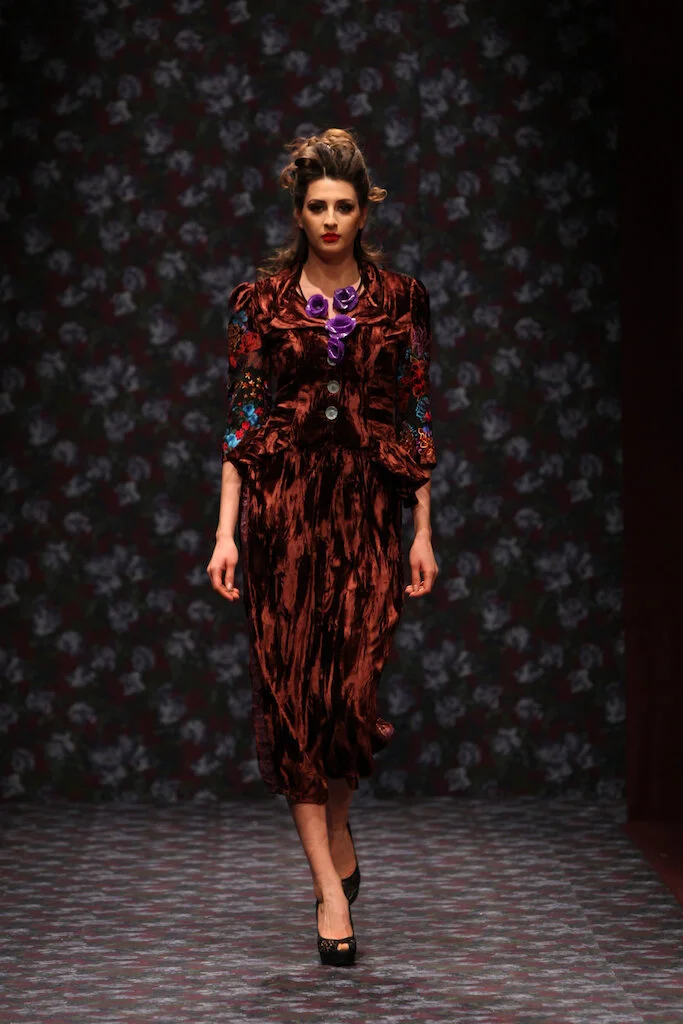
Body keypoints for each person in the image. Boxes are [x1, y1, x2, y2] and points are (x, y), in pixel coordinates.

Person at [207, 128, 438, 966]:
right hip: (283, 514)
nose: (330, 219)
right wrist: (225, 532)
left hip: (368, 512)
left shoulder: (401, 299)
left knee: (347, 695)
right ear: (298, 214)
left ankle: (338, 824)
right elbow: (242, 421)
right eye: (317, 207)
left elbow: (413, 416)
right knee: (294, 695)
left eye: (343, 206)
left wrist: (421, 530)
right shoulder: (258, 302)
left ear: (363, 212)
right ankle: (329, 893)